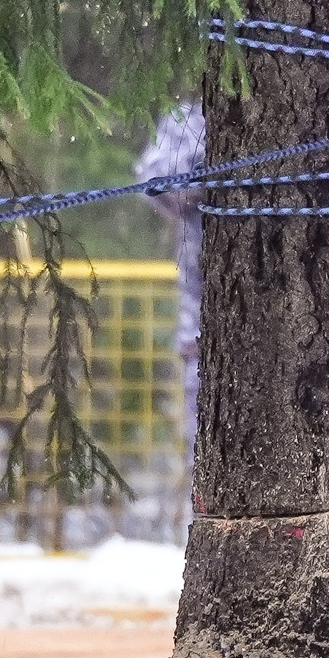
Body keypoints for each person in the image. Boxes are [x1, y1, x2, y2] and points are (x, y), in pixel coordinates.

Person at [136, 103, 206, 464]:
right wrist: (204, 171)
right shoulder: (190, 114)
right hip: (202, 331)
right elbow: (155, 182)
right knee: (209, 451)